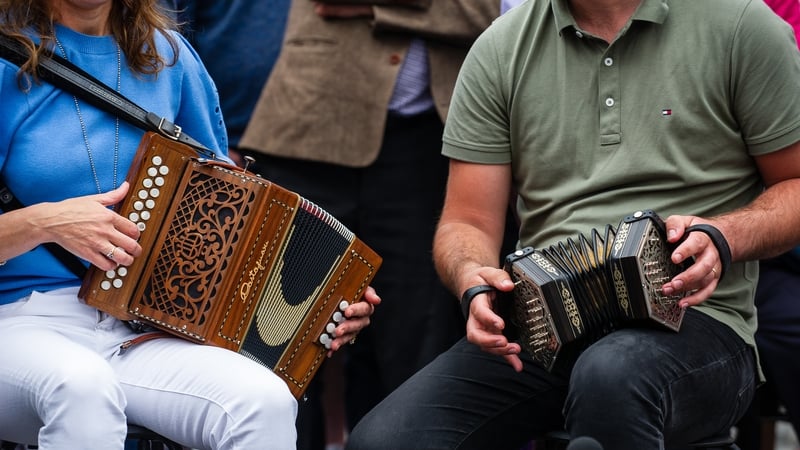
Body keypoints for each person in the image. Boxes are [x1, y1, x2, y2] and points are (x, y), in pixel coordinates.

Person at [345, 0, 800, 448]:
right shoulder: (500, 47)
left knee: (610, 377)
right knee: (384, 439)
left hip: (699, 321)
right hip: (542, 325)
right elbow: (466, 221)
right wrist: (472, 277)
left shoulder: (741, 24)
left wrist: (725, 237)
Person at [0, 1, 378, 449]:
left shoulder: (167, 54)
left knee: (264, 401)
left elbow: (229, 214)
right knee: (83, 387)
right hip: (23, 318)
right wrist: (47, 222)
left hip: (142, 328)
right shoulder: (7, 58)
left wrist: (323, 302)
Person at [236, 0, 503, 432]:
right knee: (281, 339)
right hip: (310, 131)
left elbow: (486, 12)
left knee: (416, 345)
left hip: (429, 143)